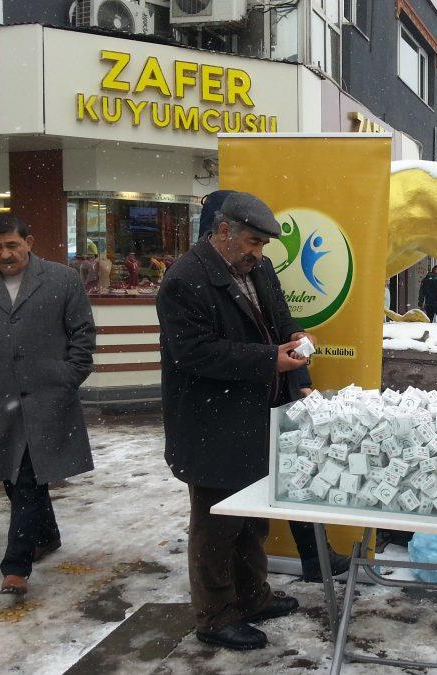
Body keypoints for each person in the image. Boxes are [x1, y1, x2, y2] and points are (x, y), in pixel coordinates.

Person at [158, 191, 312, 651]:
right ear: (222, 231)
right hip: (210, 424)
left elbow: (280, 318)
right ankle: (215, 616)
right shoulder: (184, 280)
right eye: (251, 242)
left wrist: (295, 342)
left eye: (263, 245)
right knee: (215, 526)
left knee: (253, 518)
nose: (258, 254)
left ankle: (252, 596)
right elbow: (194, 353)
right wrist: (270, 359)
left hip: (256, 417)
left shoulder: (258, 269)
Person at [0, 213, 96, 596]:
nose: (5, 253)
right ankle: (46, 535)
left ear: (29, 242)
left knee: (28, 476)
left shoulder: (62, 280)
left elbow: (82, 333)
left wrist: (70, 375)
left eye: (12, 245)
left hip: (50, 397)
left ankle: (15, 566)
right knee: (14, 479)